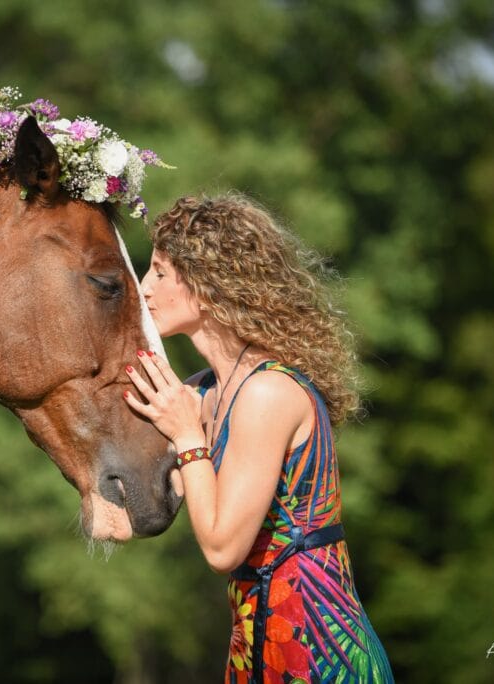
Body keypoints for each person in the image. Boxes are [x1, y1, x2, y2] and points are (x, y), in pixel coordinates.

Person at [123, 193, 395, 683]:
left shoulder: (268, 392)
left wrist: (187, 435)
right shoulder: (203, 394)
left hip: (319, 650)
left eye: (160, 272)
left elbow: (223, 548)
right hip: (254, 647)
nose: (143, 288)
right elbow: (132, 511)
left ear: (208, 283)